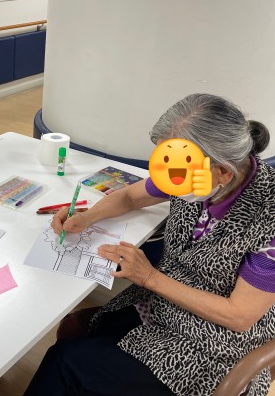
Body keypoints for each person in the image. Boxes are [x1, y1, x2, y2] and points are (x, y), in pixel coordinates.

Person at [25, 94, 275, 396]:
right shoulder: (190, 172)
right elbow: (130, 196)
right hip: (165, 305)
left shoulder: (268, 218)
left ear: (223, 171)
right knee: (81, 336)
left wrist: (149, 277)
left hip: (215, 345)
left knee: (66, 361)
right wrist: (87, 217)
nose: (169, 181)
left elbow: (239, 316)